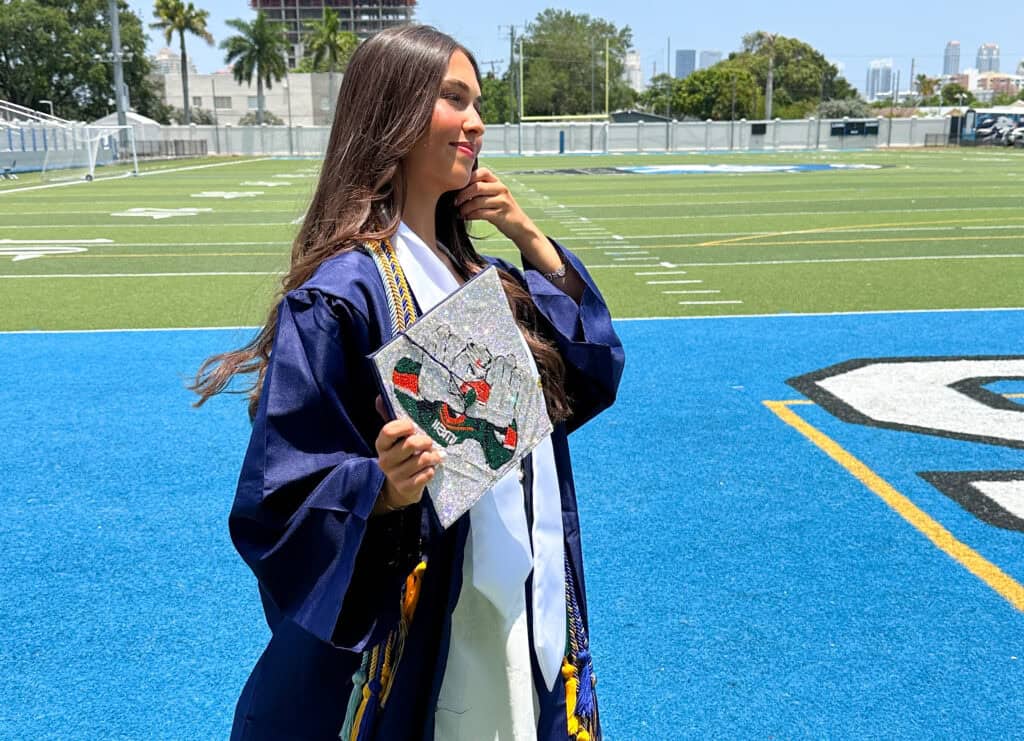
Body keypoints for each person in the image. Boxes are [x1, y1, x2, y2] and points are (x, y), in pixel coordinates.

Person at [192, 24, 624, 741]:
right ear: (391, 110)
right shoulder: (346, 294)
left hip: (523, 607)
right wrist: (384, 489)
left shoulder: (486, 279)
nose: (477, 123)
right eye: (453, 99)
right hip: (425, 633)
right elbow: (281, 499)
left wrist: (530, 238)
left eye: (478, 102)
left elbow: (587, 377)